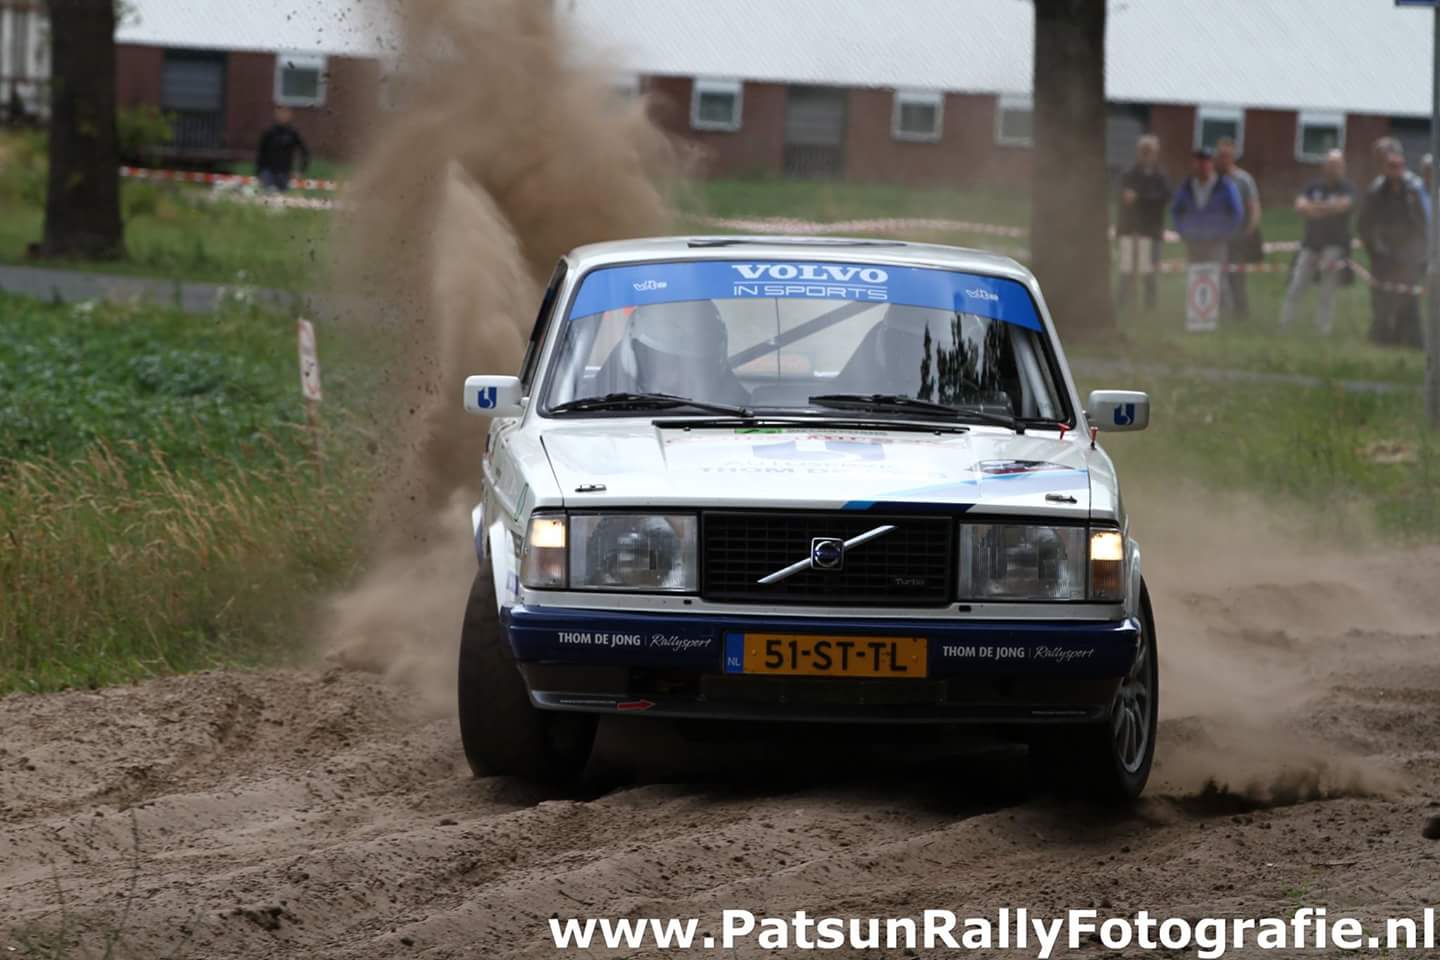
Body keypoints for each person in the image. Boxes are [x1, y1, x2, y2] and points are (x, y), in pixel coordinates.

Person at [1358, 148, 1430, 348]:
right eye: (1392, 166)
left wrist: (1418, 252)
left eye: (1400, 166)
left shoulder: (1412, 191)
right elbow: (1364, 225)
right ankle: (1382, 338)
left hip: (1407, 255)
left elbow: (1420, 223)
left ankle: (1412, 341)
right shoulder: (1375, 192)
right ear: (1384, 168)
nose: (1396, 170)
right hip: (1383, 255)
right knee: (1382, 299)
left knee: (1409, 299)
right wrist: (1375, 250)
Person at [1280, 149, 1354, 334]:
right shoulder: (1313, 186)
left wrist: (1315, 208)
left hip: (1334, 246)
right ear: (1324, 166)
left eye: (1337, 165)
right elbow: (1300, 206)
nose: (1334, 169)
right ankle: (1286, 324)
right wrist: (1328, 208)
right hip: (1310, 244)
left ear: (1343, 167)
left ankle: (1322, 329)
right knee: (1296, 285)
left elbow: (1344, 206)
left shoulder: (1347, 188)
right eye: (1331, 165)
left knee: (1327, 290)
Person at [1115, 134, 1171, 313]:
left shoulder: (1160, 176)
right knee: (1126, 272)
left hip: (1151, 231)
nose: (1146, 155)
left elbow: (1164, 197)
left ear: (1155, 153)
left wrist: (1139, 198)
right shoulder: (1129, 174)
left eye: (1149, 151)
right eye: (1143, 151)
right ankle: (1123, 306)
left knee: (1150, 273)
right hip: (1130, 230)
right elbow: (1119, 198)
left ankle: (1150, 308)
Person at [1171, 147, 1244, 266]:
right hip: (1194, 242)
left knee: (1216, 274)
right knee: (1195, 273)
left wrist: (1224, 233)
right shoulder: (1186, 186)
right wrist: (1183, 231)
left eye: (1205, 162)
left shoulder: (1225, 186)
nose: (1202, 166)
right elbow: (1176, 212)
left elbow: (1236, 213)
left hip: (1216, 243)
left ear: (1211, 164)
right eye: (1199, 162)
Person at [1215, 137, 1262, 320]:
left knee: (1236, 276)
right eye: (1221, 155)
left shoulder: (1244, 180)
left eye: (1227, 155)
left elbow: (1254, 207)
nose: (1224, 159)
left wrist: (1249, 230)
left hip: (1238, 235)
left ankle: (1241, 314)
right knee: (1218, 275)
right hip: (1217, 235)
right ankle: (1219, 312)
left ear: (1233, 156)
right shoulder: (1212, 178)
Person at [255, 106, 311, 192]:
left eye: (285, 113)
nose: (282, 116)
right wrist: (259, 172)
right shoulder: (269, 132)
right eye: (280, 113)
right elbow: (261, 153)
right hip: (268, 171)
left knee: (280, 196)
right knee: (269, 193)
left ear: (290, 115)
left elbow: (304, 152)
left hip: (284, 173)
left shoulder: (293, 133)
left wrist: (301, 170)